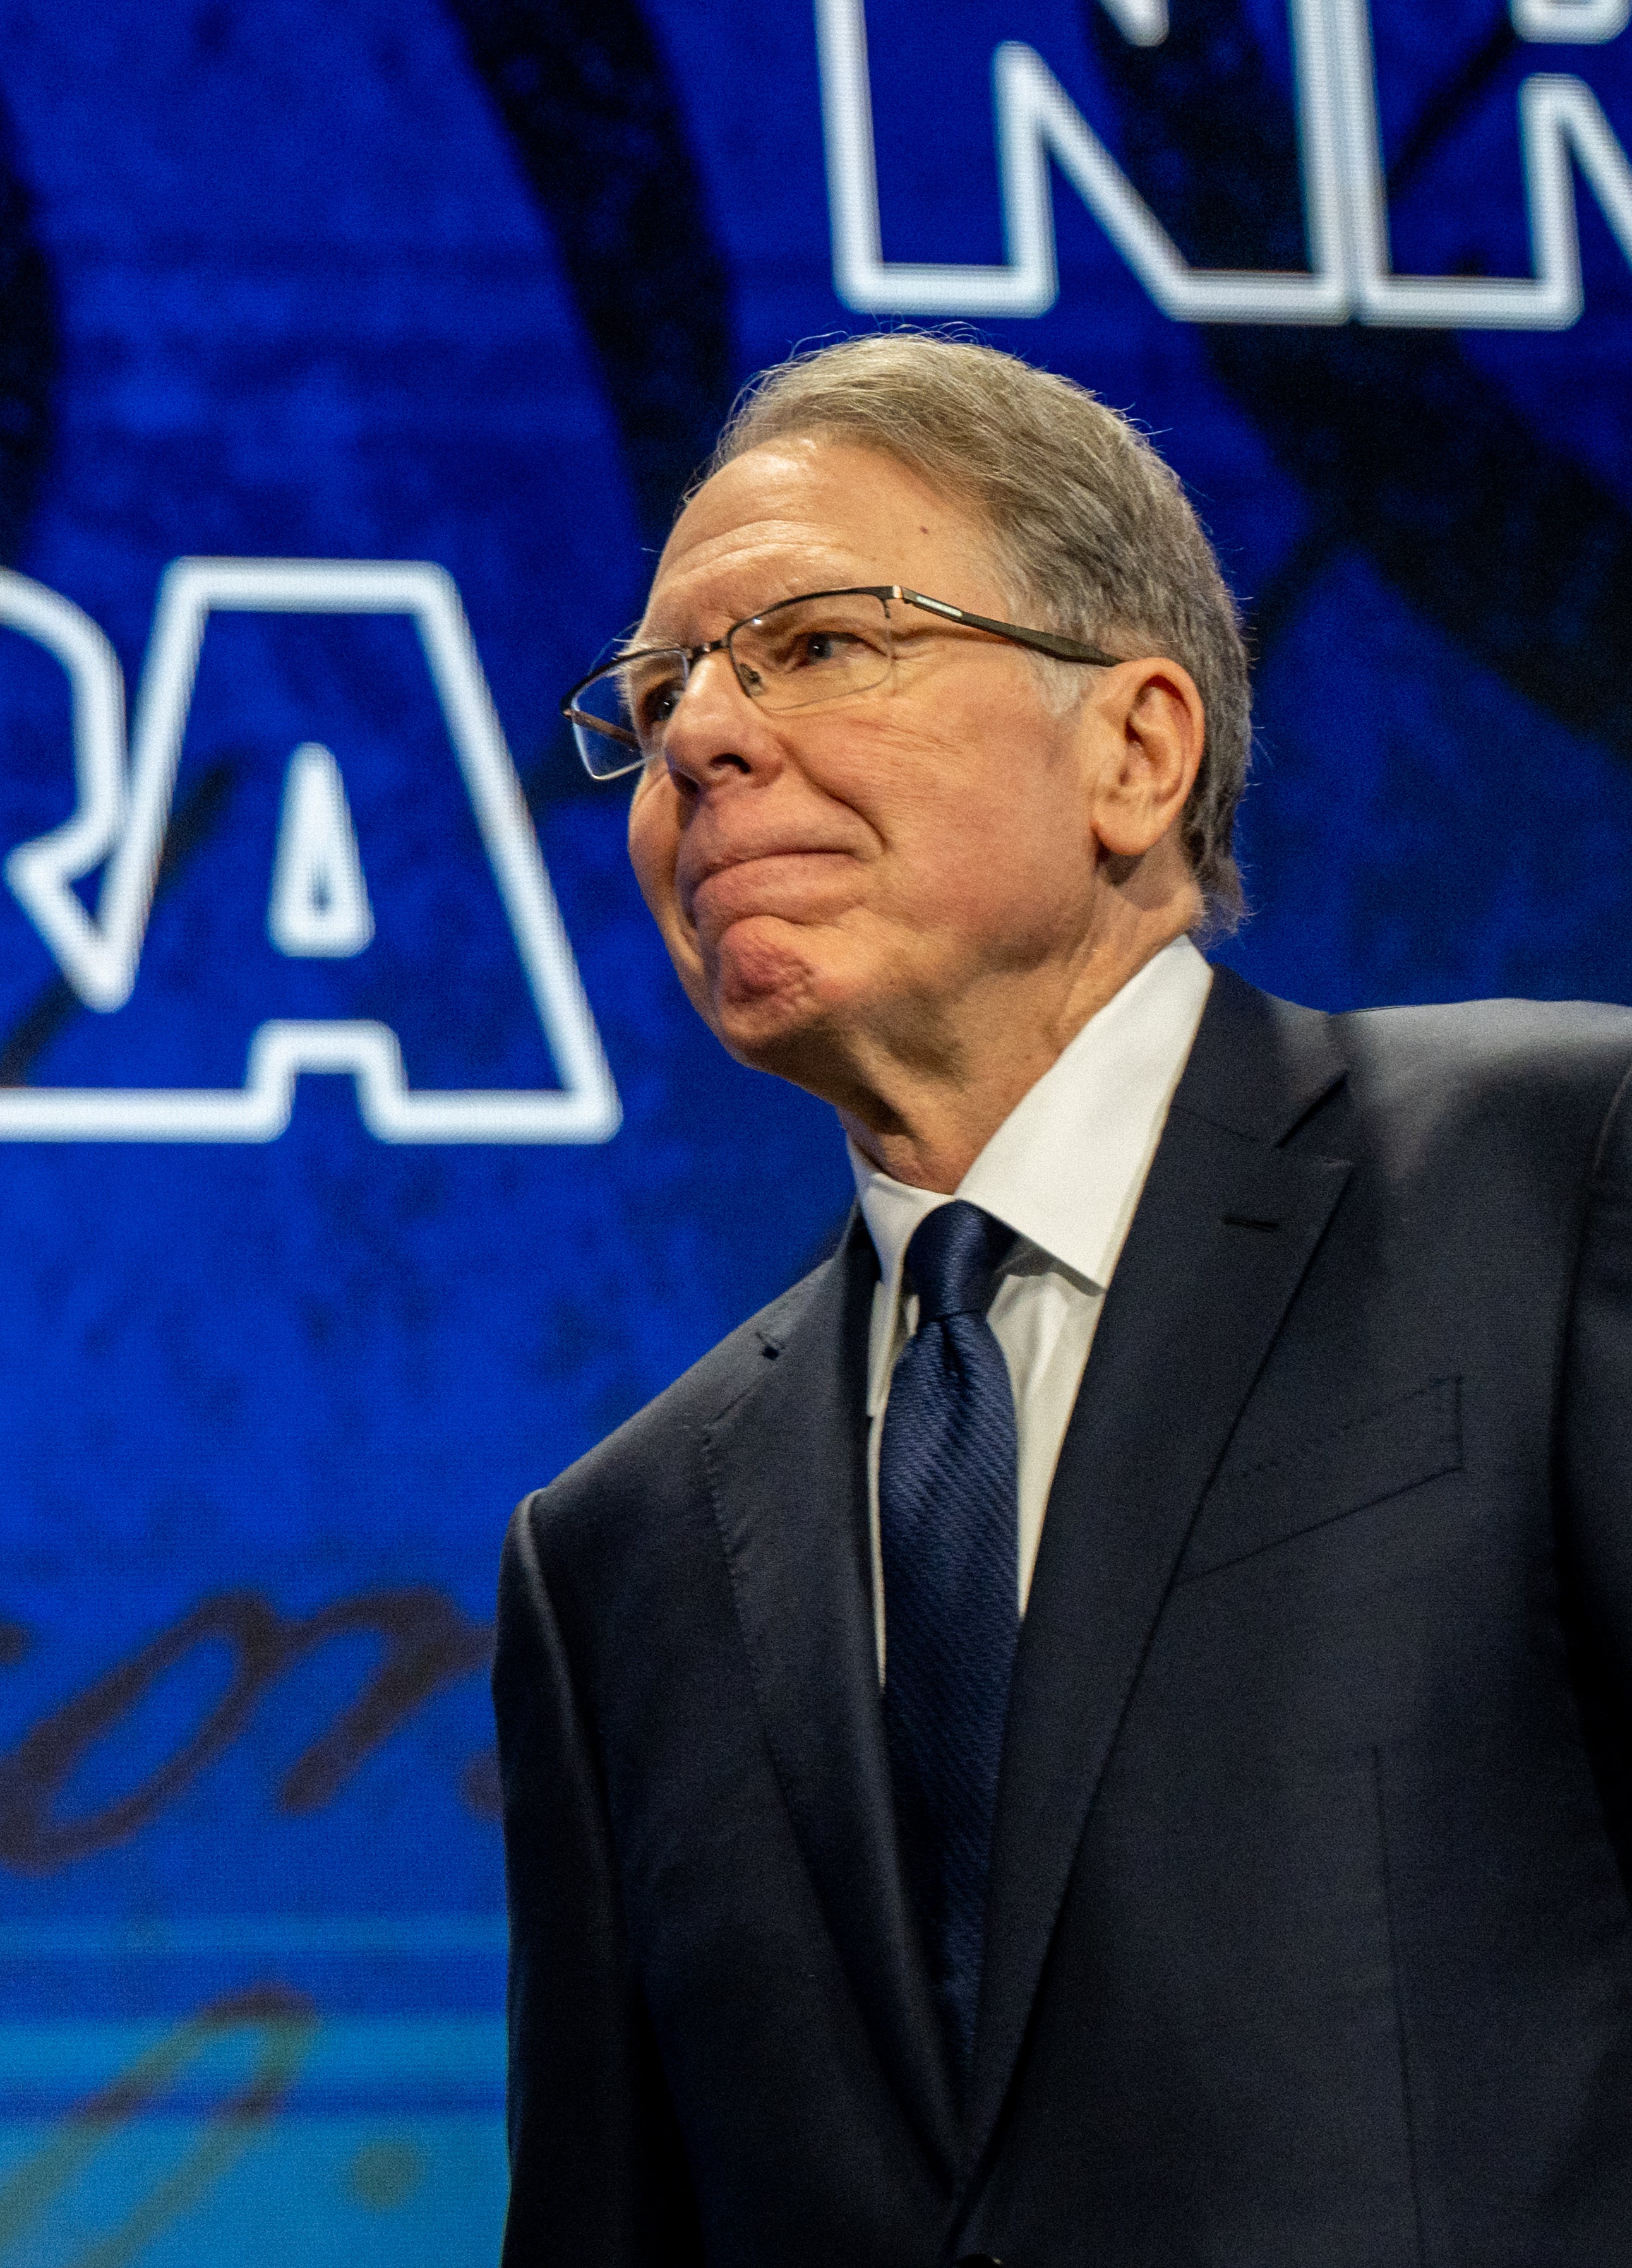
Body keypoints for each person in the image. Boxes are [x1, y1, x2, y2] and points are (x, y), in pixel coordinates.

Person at [496, 331, 1632, 2265]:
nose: (697, 736)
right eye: (660, 691)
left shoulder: (1557, 1182)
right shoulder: (617, 1556)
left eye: (820, 646)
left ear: (1137, 748)